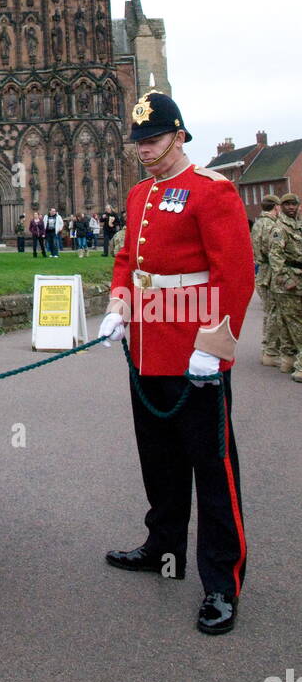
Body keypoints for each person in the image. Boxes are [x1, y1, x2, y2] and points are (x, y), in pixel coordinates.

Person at [99, 91, 254, 635]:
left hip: (195, 356)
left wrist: (213, 345)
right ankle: (162, 547)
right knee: (159, 462)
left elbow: (233, 274)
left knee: (213, 468)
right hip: (147, 349)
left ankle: (221, 582)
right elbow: (126, 260)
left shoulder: (214, 191)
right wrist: (119, 305)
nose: (144, 150)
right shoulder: (142, 194)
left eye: (154, 140)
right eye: (139, 142)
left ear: (179, 136)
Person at [268, 193, 302, 381]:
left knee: (290, 325)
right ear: (280, 206)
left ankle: (288, 360)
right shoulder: (279, 228)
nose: (291, 207)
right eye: (287, 204)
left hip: (298, 279)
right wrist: (285, 279)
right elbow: (275, 256)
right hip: (288, 283)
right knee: (297, 324)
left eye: (293, 204)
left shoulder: (297, 225)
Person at [251, 193, 280, 366]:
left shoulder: (258, 223)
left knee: (270, 312)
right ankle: (270, 351)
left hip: (262, 271)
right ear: (276, 207)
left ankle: (268, 350)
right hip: (270, 270)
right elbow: (272, 250)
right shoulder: (271, 225)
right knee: (274, 313)